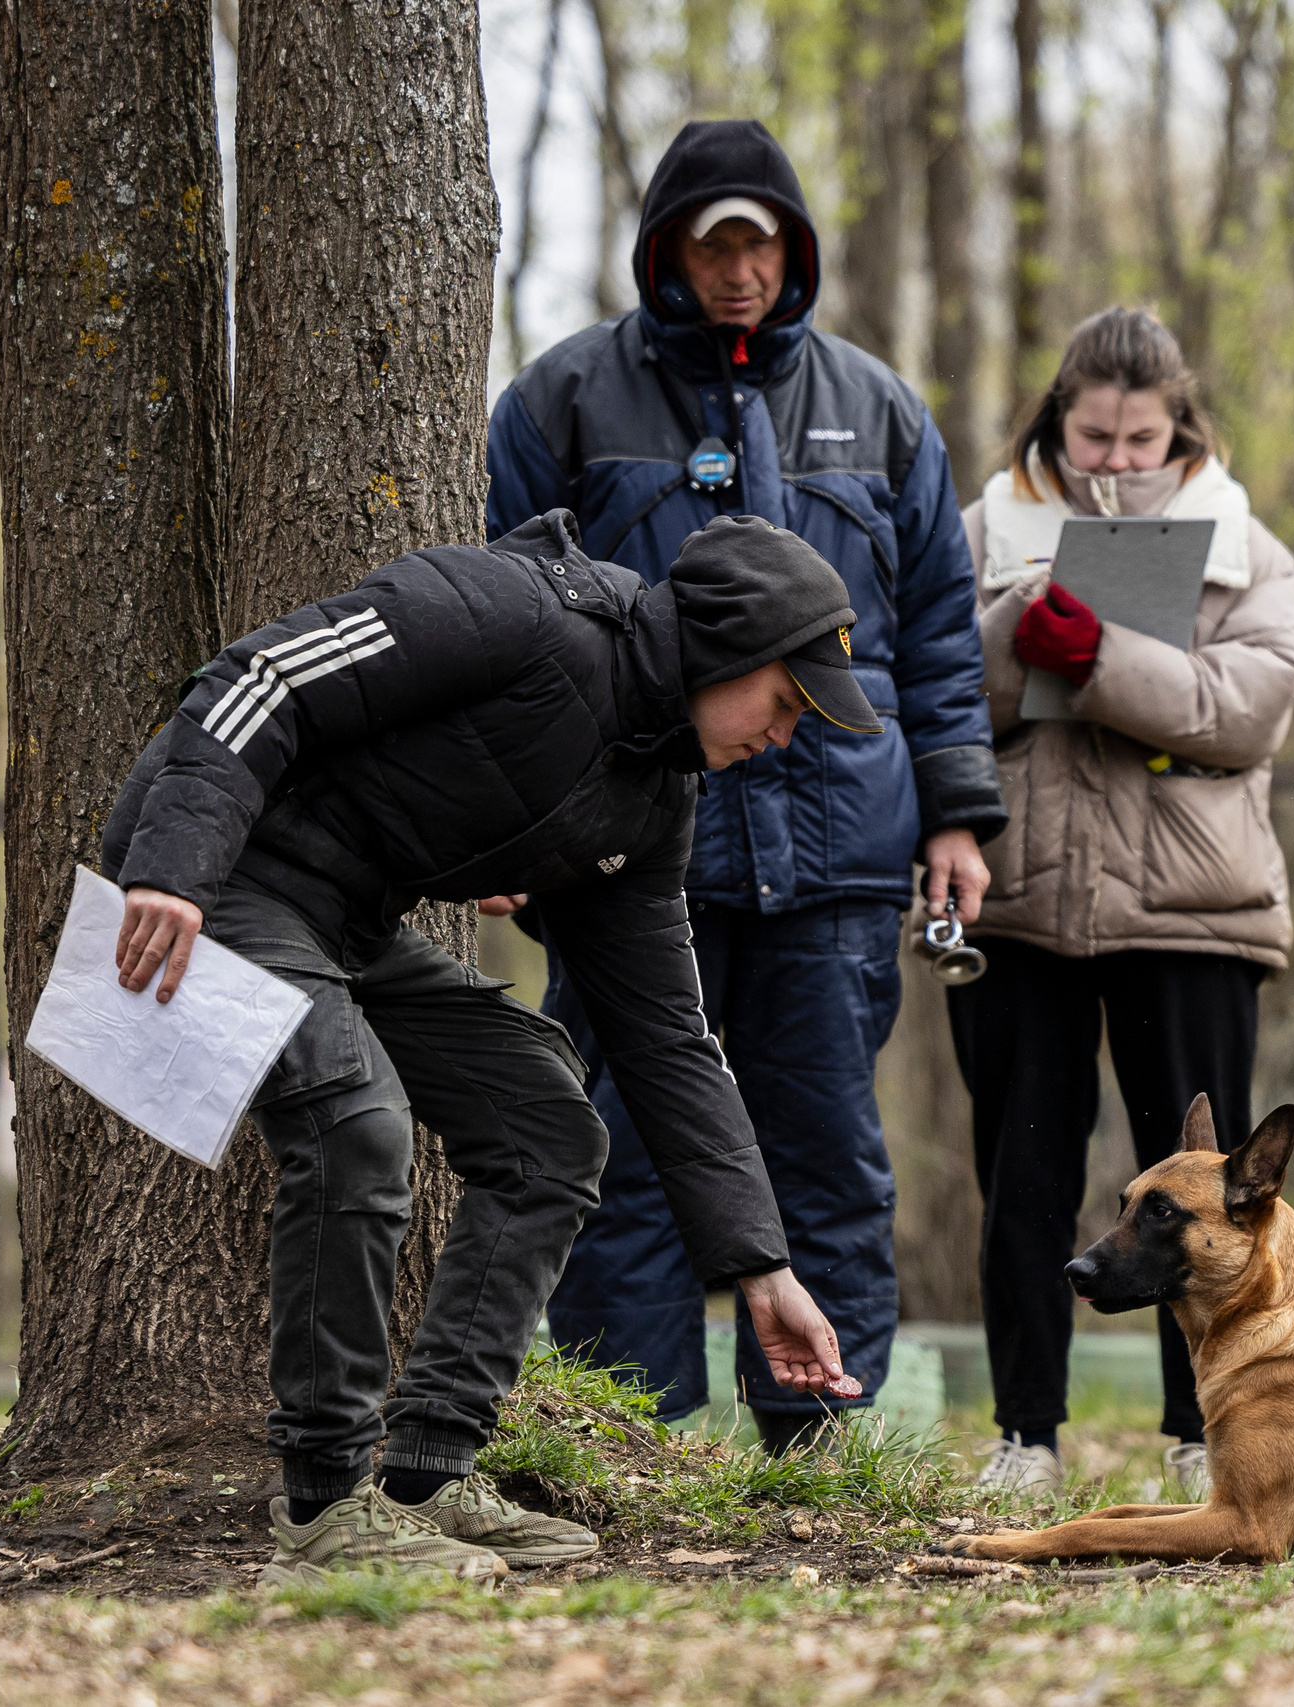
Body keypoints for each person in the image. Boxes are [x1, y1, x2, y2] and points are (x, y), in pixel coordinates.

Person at [101, 511, 871, 1585]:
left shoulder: (653, 802)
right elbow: (262, 677)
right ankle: (324, 1513)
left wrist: (759, 1267)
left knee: (549, 1124)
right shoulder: (517, 612)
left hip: (346, 920)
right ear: (725, 651)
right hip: (210, 883)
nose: (781, 737)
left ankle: (425, 1471)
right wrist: (169, 868)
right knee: (353, 1119)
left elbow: (667, 1038)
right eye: (783, 704)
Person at [484, 118, 1004, 1451]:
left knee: (826, 1154)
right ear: (667, 250)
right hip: (627, 854)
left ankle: (821, 1443)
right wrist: (523, 823)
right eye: (714, 245)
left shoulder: (879, 409)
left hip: (837, 856)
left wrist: (954, 811)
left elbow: (939, 630)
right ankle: (636, 1445)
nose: (738, 272)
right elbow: (512, 626)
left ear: (795, 252)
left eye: (760, 245)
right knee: (626, 1156)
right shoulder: (563, 403)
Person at [946, 307, 1294, 1494]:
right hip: (1019, 898)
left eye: (1138, 439)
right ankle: (1026, 1435)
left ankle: (1201, 1431)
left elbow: (1249, 705)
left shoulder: (1244, 546)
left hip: (1190, 904)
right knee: (1025, 1169)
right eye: (1092, 435)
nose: (1112, 460)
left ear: (1179, 432)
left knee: (1200, 1187)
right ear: (1058, 420)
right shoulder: (980, 530)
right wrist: (1018, 633)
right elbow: (933, 689)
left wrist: (1097, 659)